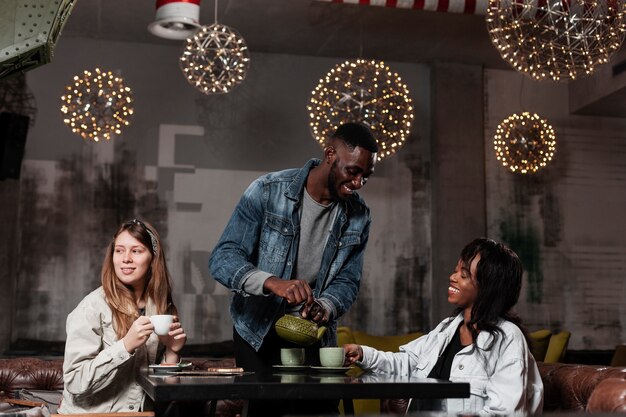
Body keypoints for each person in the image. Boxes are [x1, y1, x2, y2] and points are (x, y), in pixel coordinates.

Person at [209, 122, 378, 415]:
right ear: (330, 155)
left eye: (366, 176)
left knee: (322, 411)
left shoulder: (359, 216)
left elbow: (349, 281)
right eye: (353, 171)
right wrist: (274, 282)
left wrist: (324, 306)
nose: (359, 183)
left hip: (314, 333)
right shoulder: (266, 191)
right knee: (268, 411)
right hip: (257, 332)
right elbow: (223, 258)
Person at [344, 238, 544, 414]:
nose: (452, 277)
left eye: (463, 275)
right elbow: (407, 363)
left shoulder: (508, 338)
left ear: (488, 288)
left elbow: (508, 412)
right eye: (456, 270)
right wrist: (363, 354)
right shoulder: (448, 328)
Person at [58, 219, 186, 414]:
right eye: (119, 250)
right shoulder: (91, 307)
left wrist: (172, 353)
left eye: (136, 251)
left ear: (152, 258)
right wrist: (125, 346)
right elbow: (74, 382)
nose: (125, 258)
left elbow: (164, 394)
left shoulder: (162, 308)